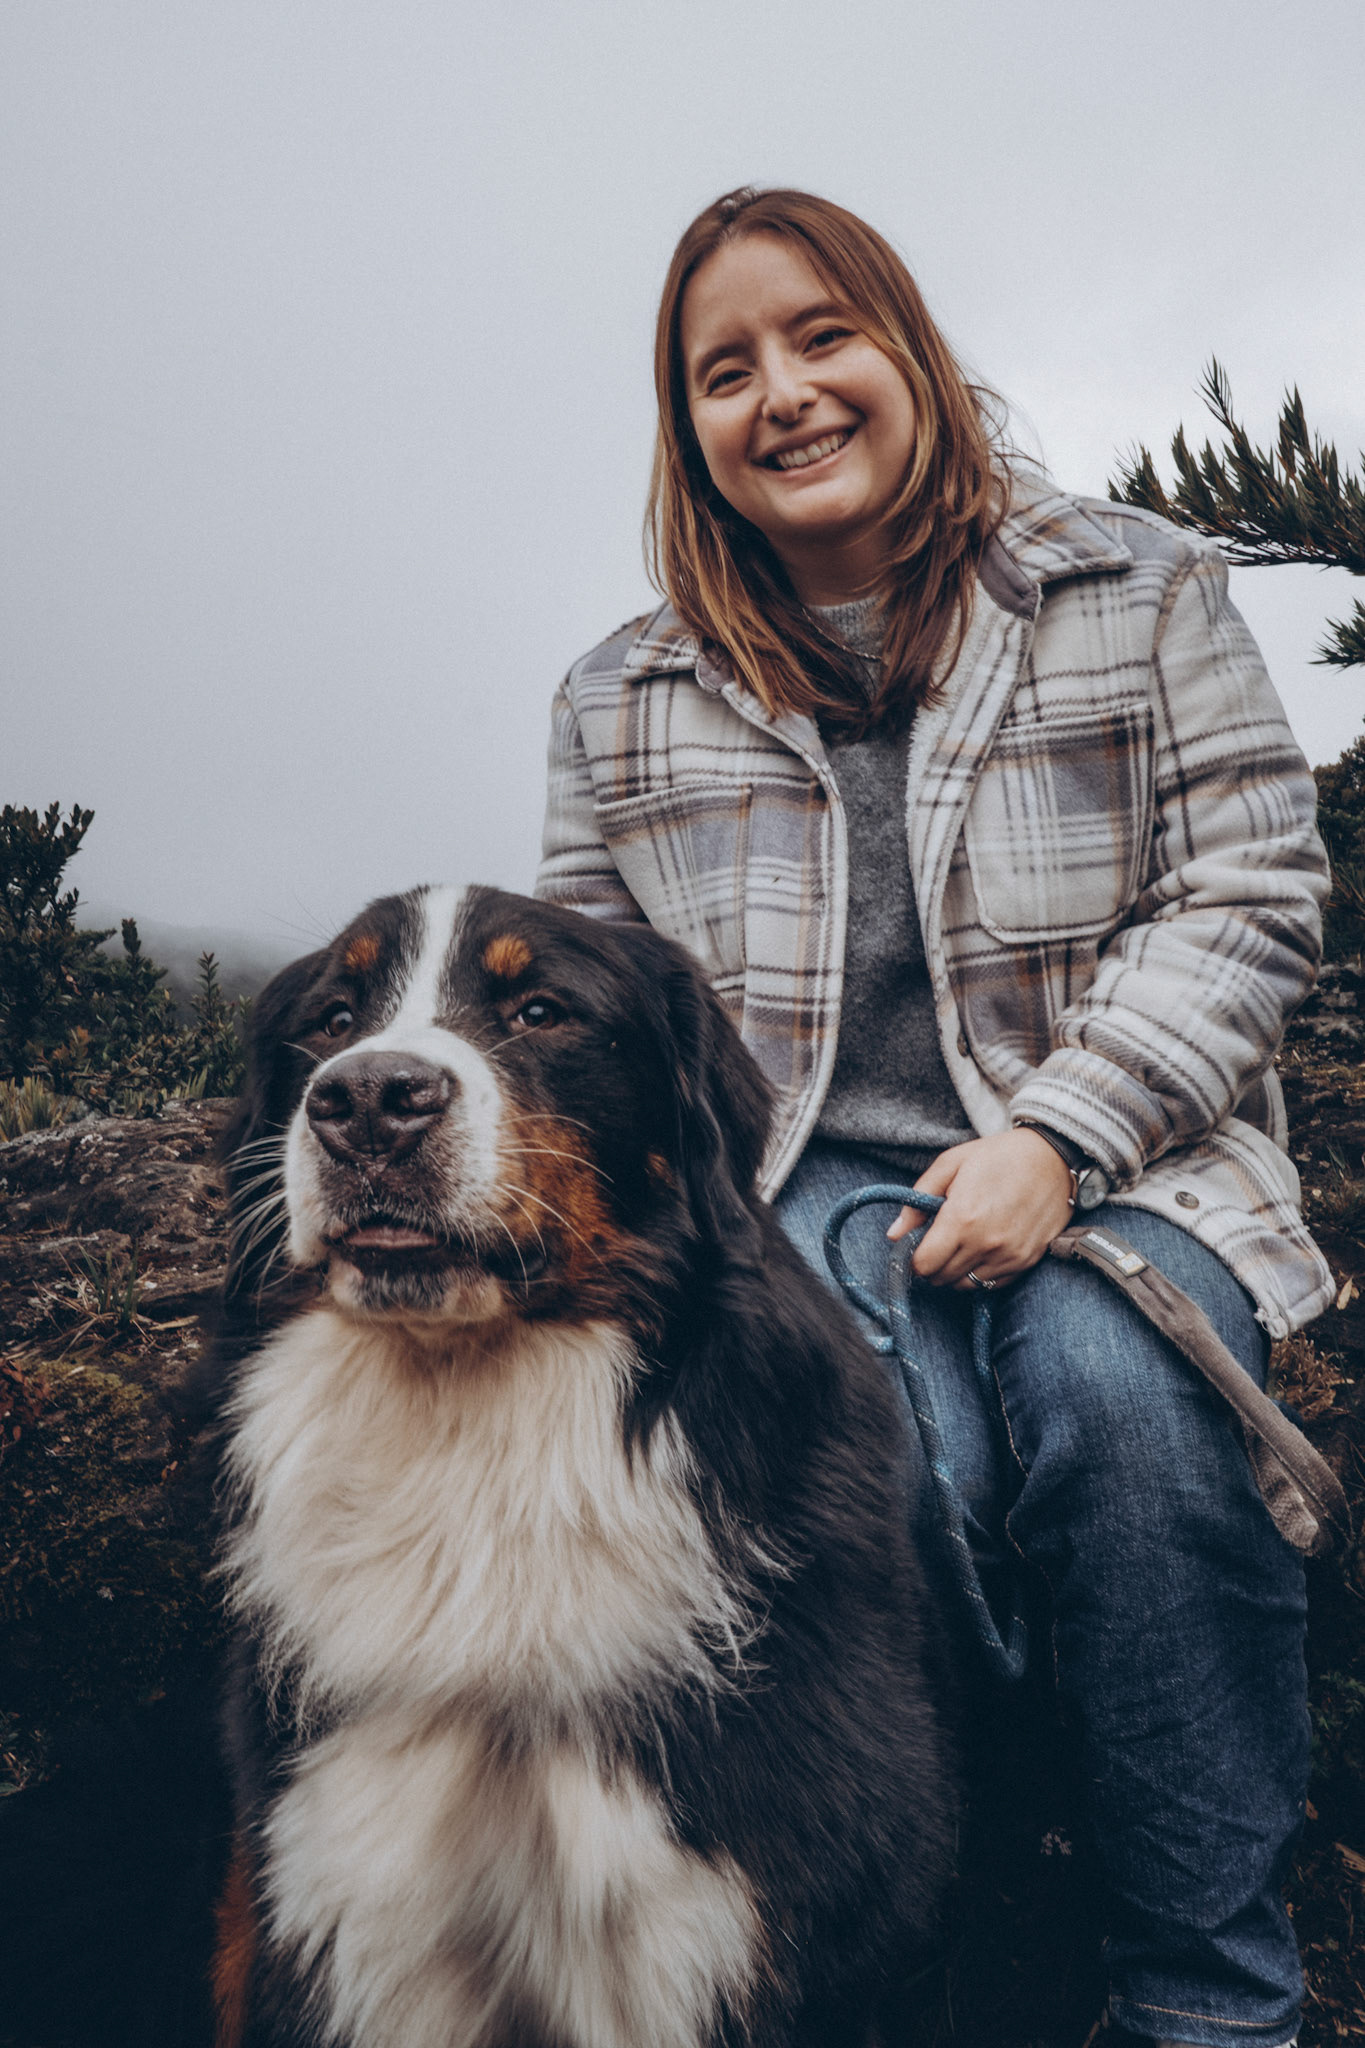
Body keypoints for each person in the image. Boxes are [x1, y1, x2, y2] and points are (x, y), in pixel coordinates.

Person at [536, 185, 1333, 2048]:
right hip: (792, 1187)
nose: (785, 394)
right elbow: (585, 1011)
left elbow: (1249, 889)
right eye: (725, 370)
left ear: (907, 348)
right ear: (688, 430)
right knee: (891, 1472)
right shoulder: (617, 697)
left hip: (1134, 1152)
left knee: (1128, 1416)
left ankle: (1211, 2000)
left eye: (823, 335)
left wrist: (1058, 1142)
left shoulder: (1137, 587)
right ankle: (941, 1967)